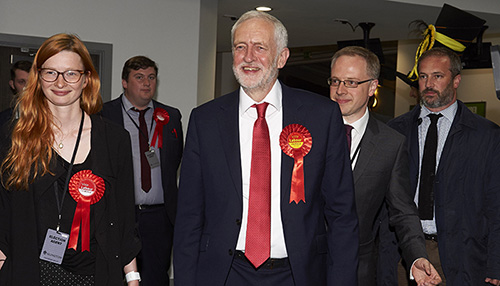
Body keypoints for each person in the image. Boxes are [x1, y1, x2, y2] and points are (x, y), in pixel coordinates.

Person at [173, 10, 358, 285]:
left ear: (282, 57)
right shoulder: (205, 120)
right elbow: (189, 215)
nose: (248, 57)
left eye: (260, 47)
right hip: (225, 274)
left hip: (298, 274)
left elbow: (342, 213)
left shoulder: (321, 116)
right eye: (240, 47)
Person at [0, 33, 141, 286]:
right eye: (51, 72)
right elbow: (3, 214)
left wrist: (132, 277)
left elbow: (123, 219)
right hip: (30, 272)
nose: (60, 82)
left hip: (94, 274)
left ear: (87, 78)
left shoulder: (114, 139)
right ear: (38, 77)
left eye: (71, 73)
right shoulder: (14, 137)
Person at [329, 46, 442, 286]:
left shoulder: (390, 143)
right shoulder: (304, 132)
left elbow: (402, 211)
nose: (340, 90)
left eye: (351, 82)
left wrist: (416, 256)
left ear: (372, 87)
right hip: (299, 266)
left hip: (358, 271)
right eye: (336, 81)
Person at [388, 47, 500, 285]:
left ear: (456, 80)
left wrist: (496, 264)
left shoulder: (486, 136)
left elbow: (496, 206)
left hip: (464, 255)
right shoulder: (395, 131)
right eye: (423, 76)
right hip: (404, 253)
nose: (428, 83)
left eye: (437, 76)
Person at [101, 56, 183, 286]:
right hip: (119, 215)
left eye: (151, 77)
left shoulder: (171, 116)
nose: (147, 83)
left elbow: (174, 160)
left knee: (156, 277)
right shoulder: (104, 114)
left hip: (159, 217)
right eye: (139, 77)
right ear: (124, 82)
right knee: (118, 276)